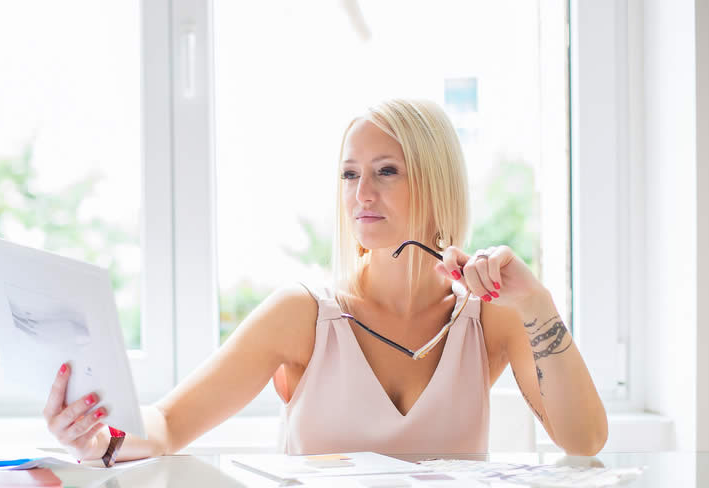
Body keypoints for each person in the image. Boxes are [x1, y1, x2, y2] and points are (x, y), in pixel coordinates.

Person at [43, 99, 607, 462]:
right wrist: (99, 436)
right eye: (349, 174)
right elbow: (166, 424)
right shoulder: (302, 315)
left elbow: (585, 442)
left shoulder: (493, 317)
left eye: (387, 171)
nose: (362, 193)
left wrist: (537, 304)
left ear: (437, 184)